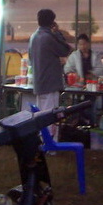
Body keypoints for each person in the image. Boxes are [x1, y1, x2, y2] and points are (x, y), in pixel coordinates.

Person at [28, 9, 72, 140]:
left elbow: (30, 58)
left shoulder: (33, 37)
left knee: (41, 115)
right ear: (52, 21)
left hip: (39, 83)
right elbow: (65, 49)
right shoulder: (48, 37)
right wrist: (57, 32)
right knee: (51, 116)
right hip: (50, 83)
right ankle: (50, 144)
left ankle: (42, 141)